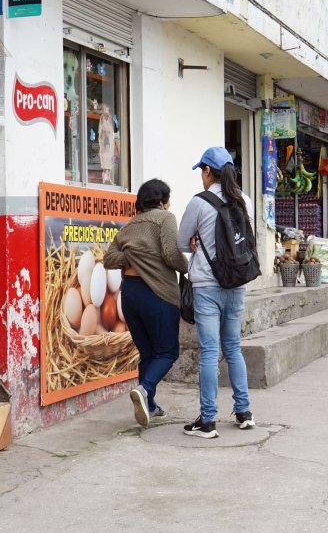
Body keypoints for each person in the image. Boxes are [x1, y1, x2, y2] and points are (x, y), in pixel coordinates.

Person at [177, 147, 256, 439]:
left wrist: (196, 241)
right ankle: (244, 413)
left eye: (202, 170)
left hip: (207, 286)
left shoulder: (199, 203)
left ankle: (208, 421)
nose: (201, 175)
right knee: (233, 348)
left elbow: (181, 243)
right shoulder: (244, 200)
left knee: (210, 352)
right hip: (237, 284)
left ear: (208, 172)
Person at [102, 179, 189, 427]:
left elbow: (109, 259)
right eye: (168, 199)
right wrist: (188, 267)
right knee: (168, 352)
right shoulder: (165, 218)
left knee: (148, 353)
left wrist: (132, 255)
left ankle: (149, 405)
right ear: (162, 201)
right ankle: (145, 388)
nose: (169, 204)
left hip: (130, 295)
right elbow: (171, 254)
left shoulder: (129, 226)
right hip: (156, 293)